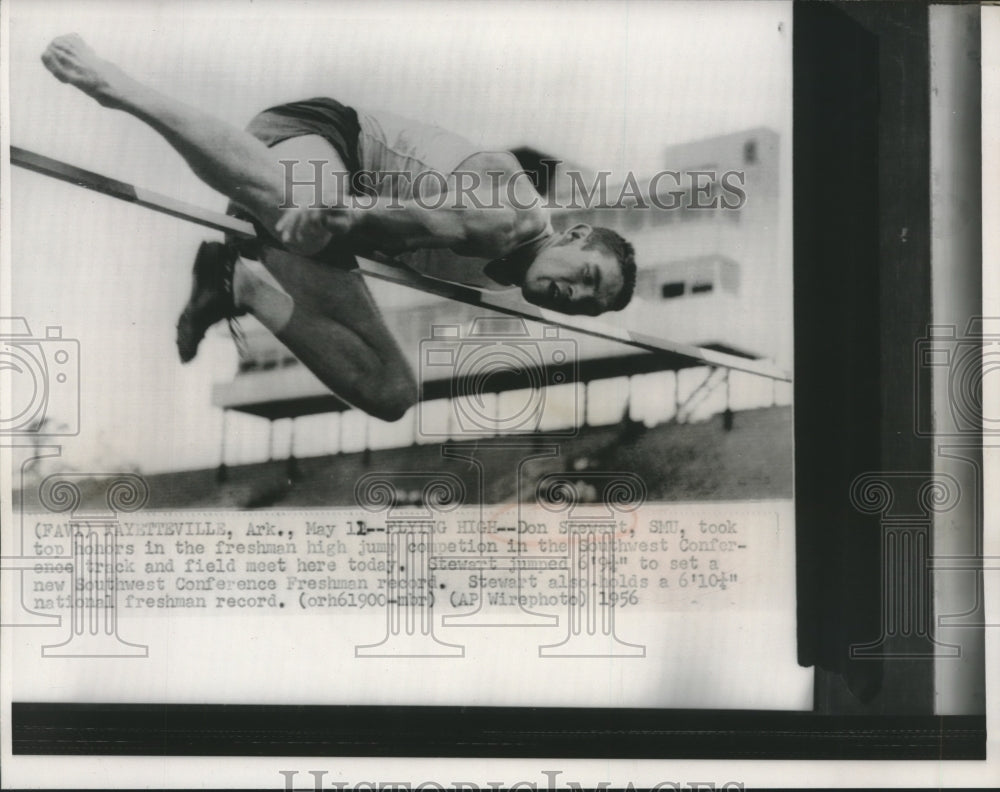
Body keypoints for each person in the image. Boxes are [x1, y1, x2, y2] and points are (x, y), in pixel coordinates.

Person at [41, 34, 637, 423]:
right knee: (310, 201)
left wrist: (336, 227)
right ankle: (120, 88)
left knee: (391, 394)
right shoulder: (511, 218)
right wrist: (343, 215)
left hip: (326, 224)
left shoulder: (517, 275)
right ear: (574, 234)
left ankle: (237, 285)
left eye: (585, 305)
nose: (573, 295)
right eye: (586, 276)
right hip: (321, 143)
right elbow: (431, 221)